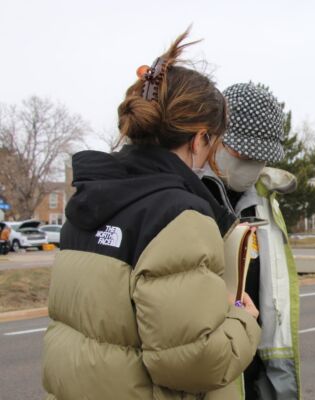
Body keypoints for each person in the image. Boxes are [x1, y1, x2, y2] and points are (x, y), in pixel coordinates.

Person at [42, 30, 261, 400]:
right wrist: (243, 320)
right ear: (198, 139)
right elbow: (194, 363)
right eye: (213, 142)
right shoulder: (180, 217)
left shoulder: (88, 200)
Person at [201, 82, 301, 399]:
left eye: (259, 157)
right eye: (241, 153)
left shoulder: (263, 202)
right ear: (212, 137)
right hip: (207, 374)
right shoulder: (185, 198)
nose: (250, 164)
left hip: (255, 375)